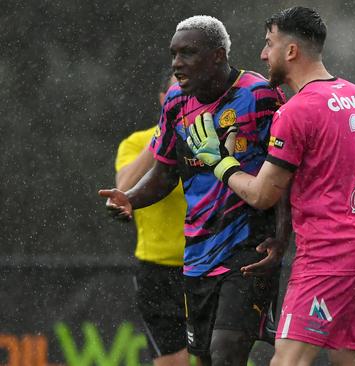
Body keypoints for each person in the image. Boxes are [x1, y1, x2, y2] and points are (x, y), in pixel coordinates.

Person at [184, 7, 355, 366]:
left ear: (292, 51)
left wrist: (219, 162)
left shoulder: (296, 111)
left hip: (328, 256)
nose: (263, 54)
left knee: (287, 361)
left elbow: (261, 194)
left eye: (269, 44)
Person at [99, 15, 289, 366]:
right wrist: (132, 199)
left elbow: (286, 170)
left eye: (187, 53)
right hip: (199, 253)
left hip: (249, 248)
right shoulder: (175, 102)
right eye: (174, 54)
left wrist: (281, 239)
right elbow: (166, 172)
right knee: (202, 357)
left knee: (227, 351)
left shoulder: (259, 95)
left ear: (218, 56)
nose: (177, 63)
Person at [114, 72, 189, 366]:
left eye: (192, 91)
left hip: (210, 267)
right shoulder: (136, 143)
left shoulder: (214, 140)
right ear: (163, 100)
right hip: (158, 272)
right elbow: (122, 189)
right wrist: (163, 134)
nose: (187, 99)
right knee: (173, 362)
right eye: (179, 92)